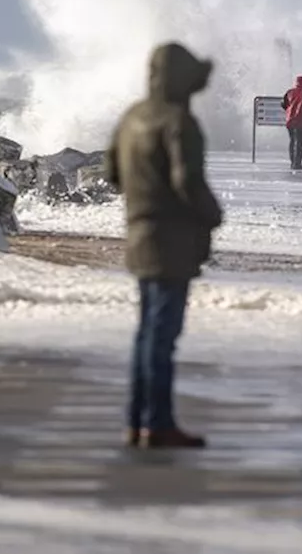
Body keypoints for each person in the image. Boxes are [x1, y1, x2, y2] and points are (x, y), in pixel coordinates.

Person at [104, 42, 223, 450]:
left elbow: (112, 172)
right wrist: (213, 213)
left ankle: (138, 421)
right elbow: (186, 181)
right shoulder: (179, 122)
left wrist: (143, 197)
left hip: (139, 233)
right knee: (161, 336)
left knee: (146, 334)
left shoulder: (132, 117)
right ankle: (158, 424)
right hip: (172, 241)